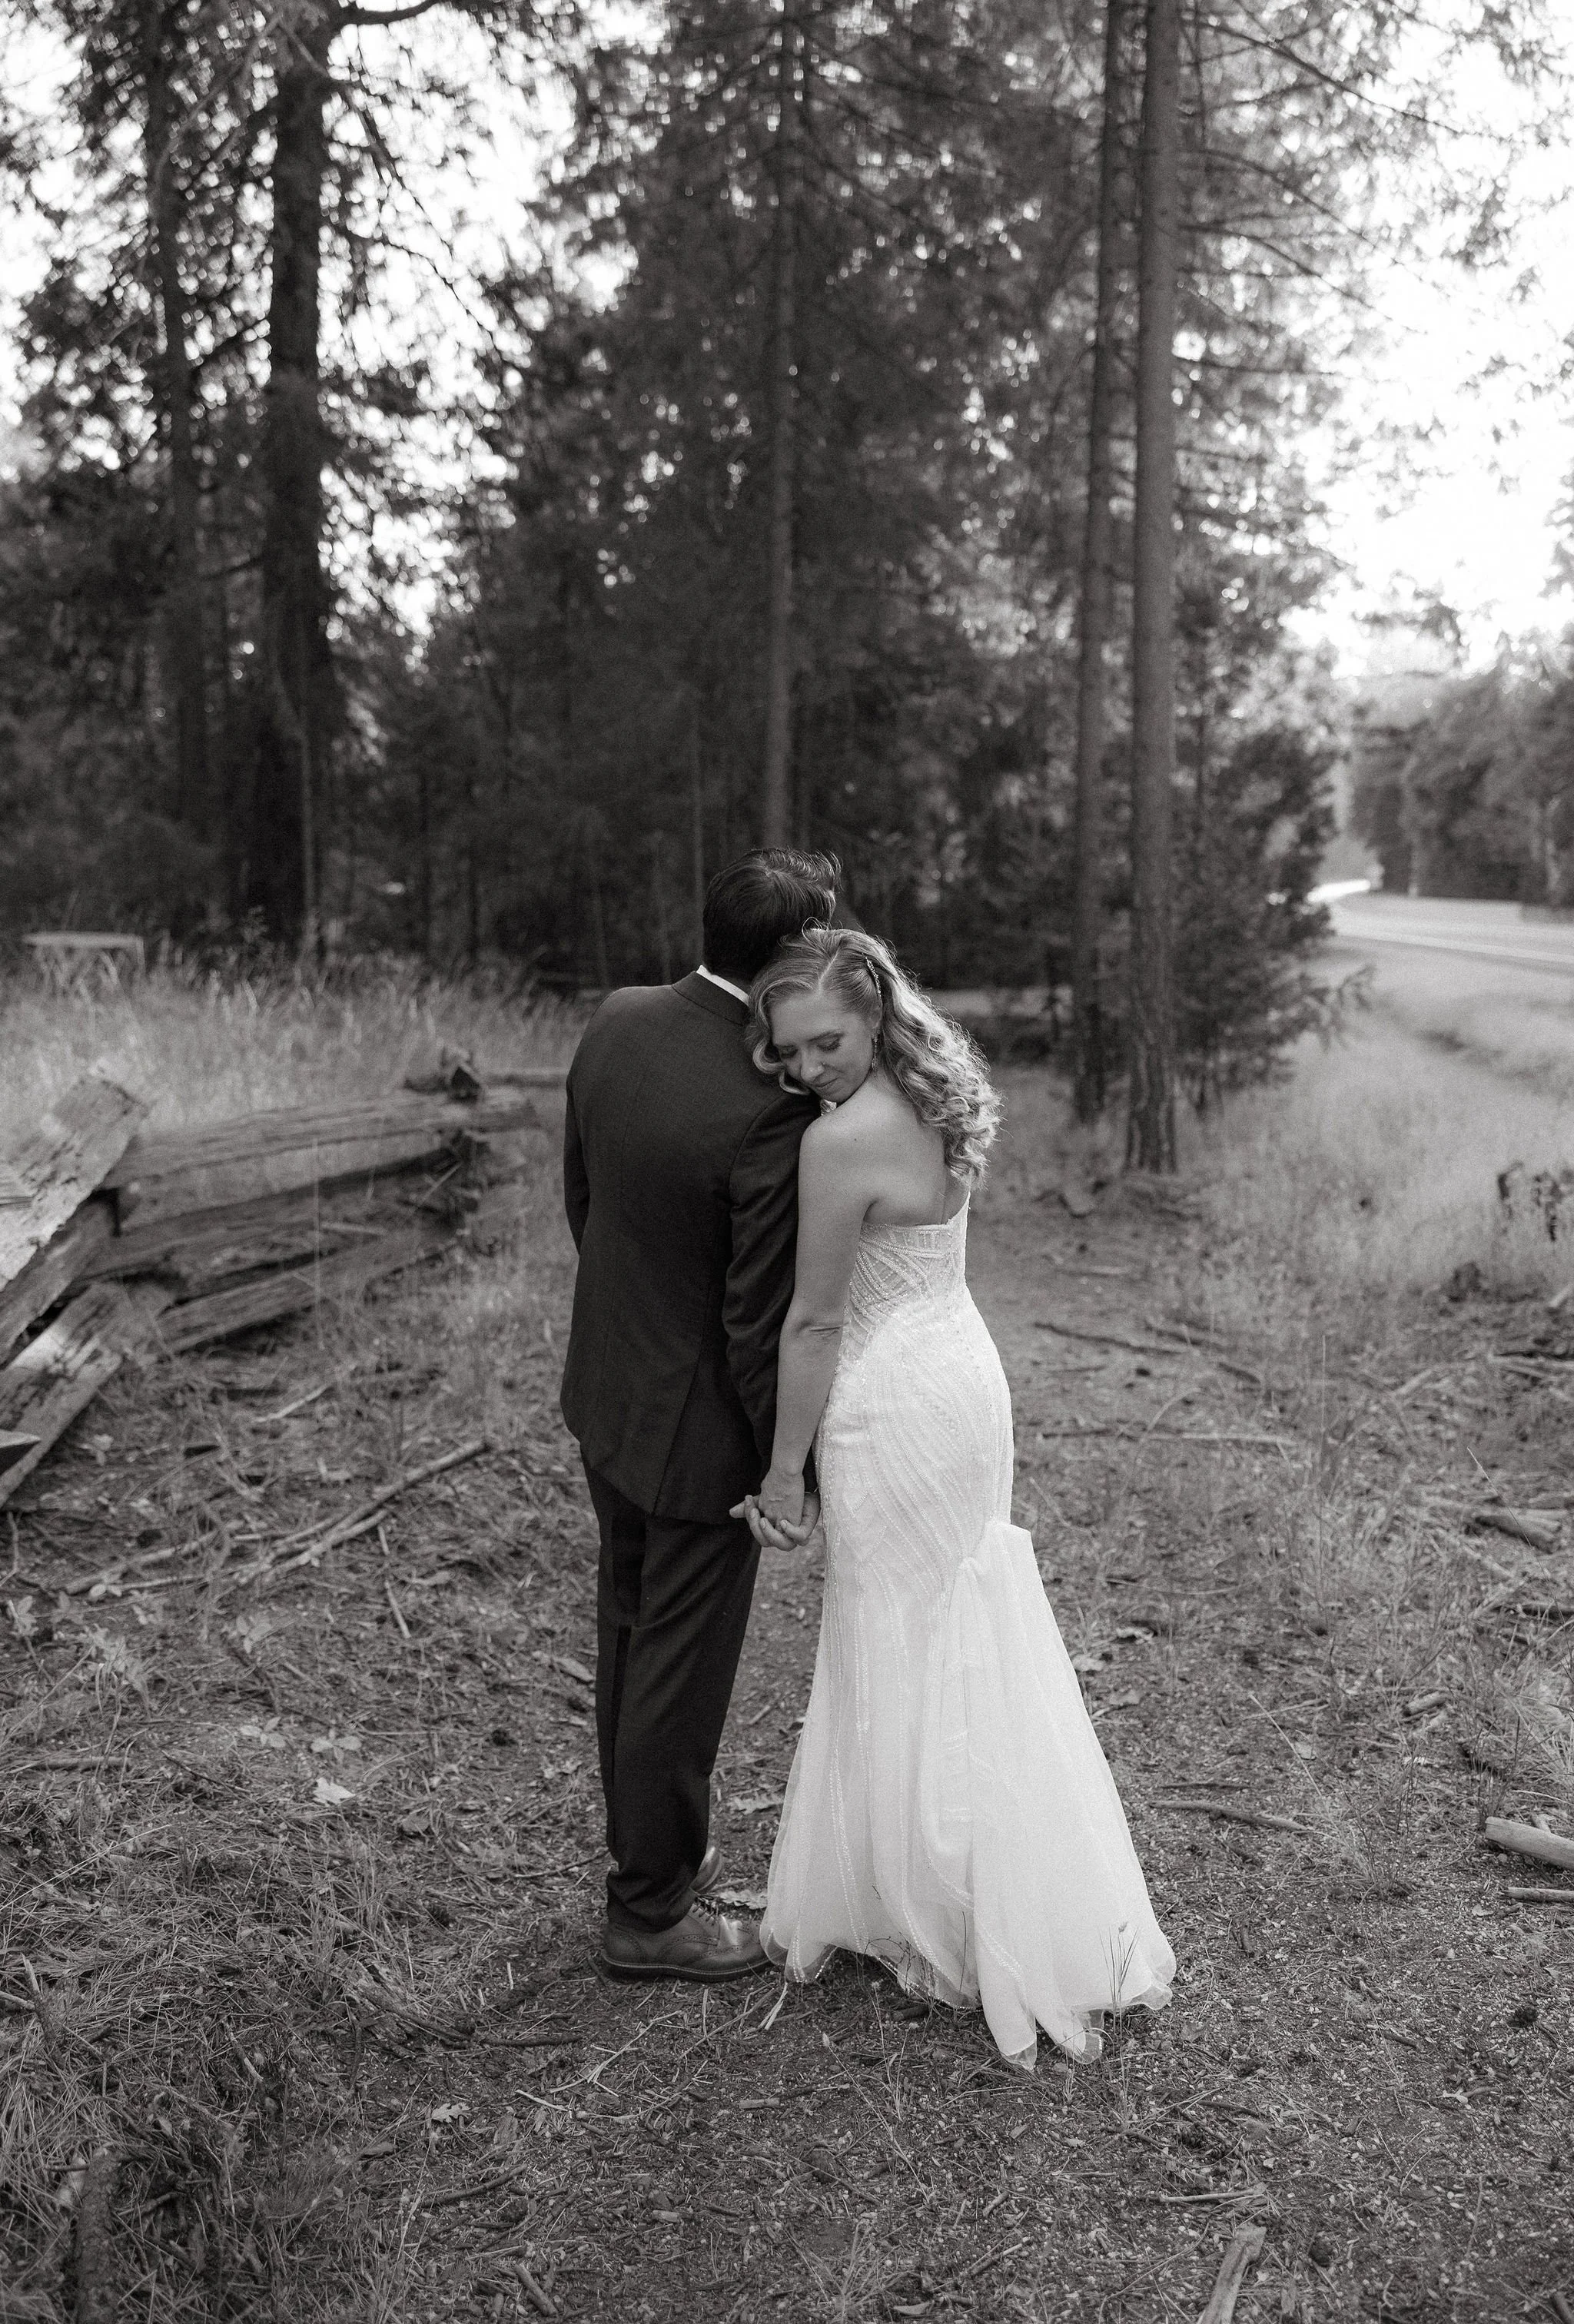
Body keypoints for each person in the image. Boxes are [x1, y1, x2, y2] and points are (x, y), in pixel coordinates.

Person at [734, 926, 1175, 2066]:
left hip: (890, 1397)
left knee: (893, 1626)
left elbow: (817, 1320)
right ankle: (984, 1886)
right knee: (963, 1619)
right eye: (787, 1056)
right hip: (966, 1376)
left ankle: (929, 1898)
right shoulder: (947, 1095)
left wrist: (784, 1471)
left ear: (873, 1010)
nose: (807, 1070)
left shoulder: (838, 1144)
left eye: (823, 1042)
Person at [560, 847, 838, 1982]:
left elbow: (583, 1197)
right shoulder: (764, 1108)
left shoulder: (619, 1018)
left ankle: (645, 1864)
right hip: (696, 1431)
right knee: (679, 1661)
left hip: (608, 1387)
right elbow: (755, 1315)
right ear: (786, 953)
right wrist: (789, 1465)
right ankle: (651, 1912)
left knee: (629, 1628)